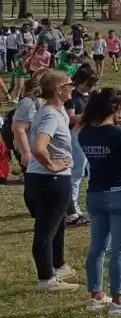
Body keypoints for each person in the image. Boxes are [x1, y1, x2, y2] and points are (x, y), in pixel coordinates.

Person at [77, 88, 121, 313]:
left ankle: (97, 294)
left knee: (98, 246)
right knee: (120, 249)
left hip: (96, 192)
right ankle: (119, 299)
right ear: (116, 108)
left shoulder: (85, 132)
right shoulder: (119, 134)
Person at [26, 70, 77, 291]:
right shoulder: (49, 115)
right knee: (46, 229)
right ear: (58, 90)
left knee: (59, 223)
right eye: (69, 84)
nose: (72, 87)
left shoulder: (58, 111)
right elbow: (38, 147)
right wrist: (53, 165)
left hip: (52, 178)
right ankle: (46, 278)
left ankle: (58, 265)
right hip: (50, 179)